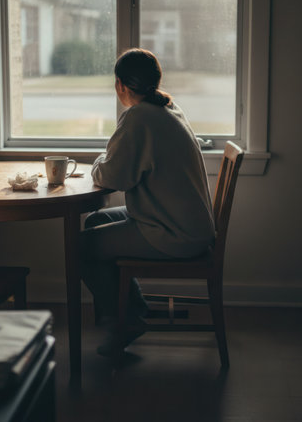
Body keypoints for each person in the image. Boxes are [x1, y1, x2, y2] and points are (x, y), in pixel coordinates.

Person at [79, 48, 215, 357]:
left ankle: (128, 319)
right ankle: (128, 314)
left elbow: (112, 177)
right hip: (185, 223)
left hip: (172, 232)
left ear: (121, 85)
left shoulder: (139, 117)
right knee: (95, 222)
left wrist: (101, 159)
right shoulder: (168, 107)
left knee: (80, 247)